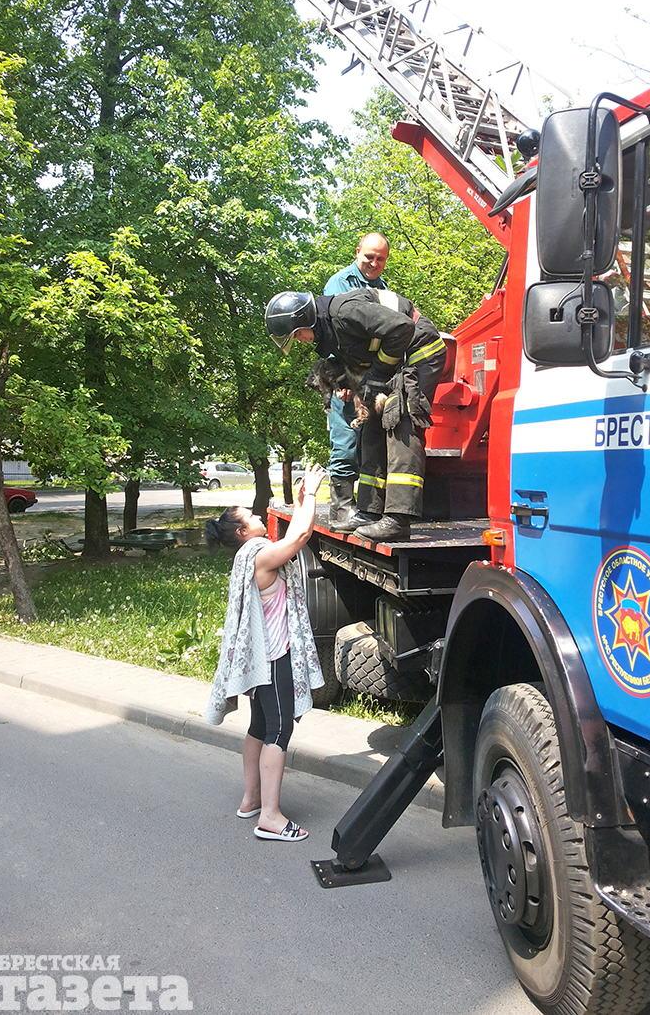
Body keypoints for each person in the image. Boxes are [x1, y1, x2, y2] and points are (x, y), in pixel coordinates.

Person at [203, 465, 327, 842]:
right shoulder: (260, 557)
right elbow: (302, 534)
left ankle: (251, 799)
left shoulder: (248, 556)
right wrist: (313, 494)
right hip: (274, 658)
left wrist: (304, 498)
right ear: (243, 532)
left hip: (260, 660)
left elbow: (291, 535)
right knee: (279, 728)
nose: (259, 516)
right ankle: (270, 817)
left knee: (259, 727)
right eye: (252, 517)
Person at [265, 288, 446, 542]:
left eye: (298, 334)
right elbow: (364, 354)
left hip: (419, 354)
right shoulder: (331, 331)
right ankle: (370, 512)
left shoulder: (345, 311)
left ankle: (398, 519)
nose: (302, 340)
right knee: (371, 426)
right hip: (397, 362)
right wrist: (350, 381)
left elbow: (402, 328)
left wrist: (376, 374)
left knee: (399, 420)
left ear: (304, 319)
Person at [321, 233, 391, 532]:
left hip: (371, 378)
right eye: (369, 257)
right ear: (357, 253)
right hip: (346, 377)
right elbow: (337, 336)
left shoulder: (383, 288)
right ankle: (341, 509)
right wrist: (343, 379)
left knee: (370, 444)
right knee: (346, 442)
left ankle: (365, 508)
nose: (374, 263)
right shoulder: (340, 284)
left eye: (381, 259)